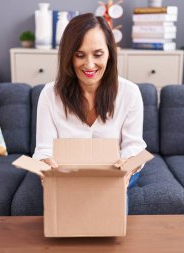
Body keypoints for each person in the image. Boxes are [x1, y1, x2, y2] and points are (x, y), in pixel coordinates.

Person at [32, 13, 146, 191]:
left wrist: (127, 164)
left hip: (115, 174)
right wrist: (45, 164)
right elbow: (43, 149)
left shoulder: (130, 93)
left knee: (107, 189)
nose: (90, 64)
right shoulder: (49, 94)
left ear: (109, 53)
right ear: (68, 56)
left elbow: (135, 147)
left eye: (98, 54)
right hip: (67, 175)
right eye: (80, 55)